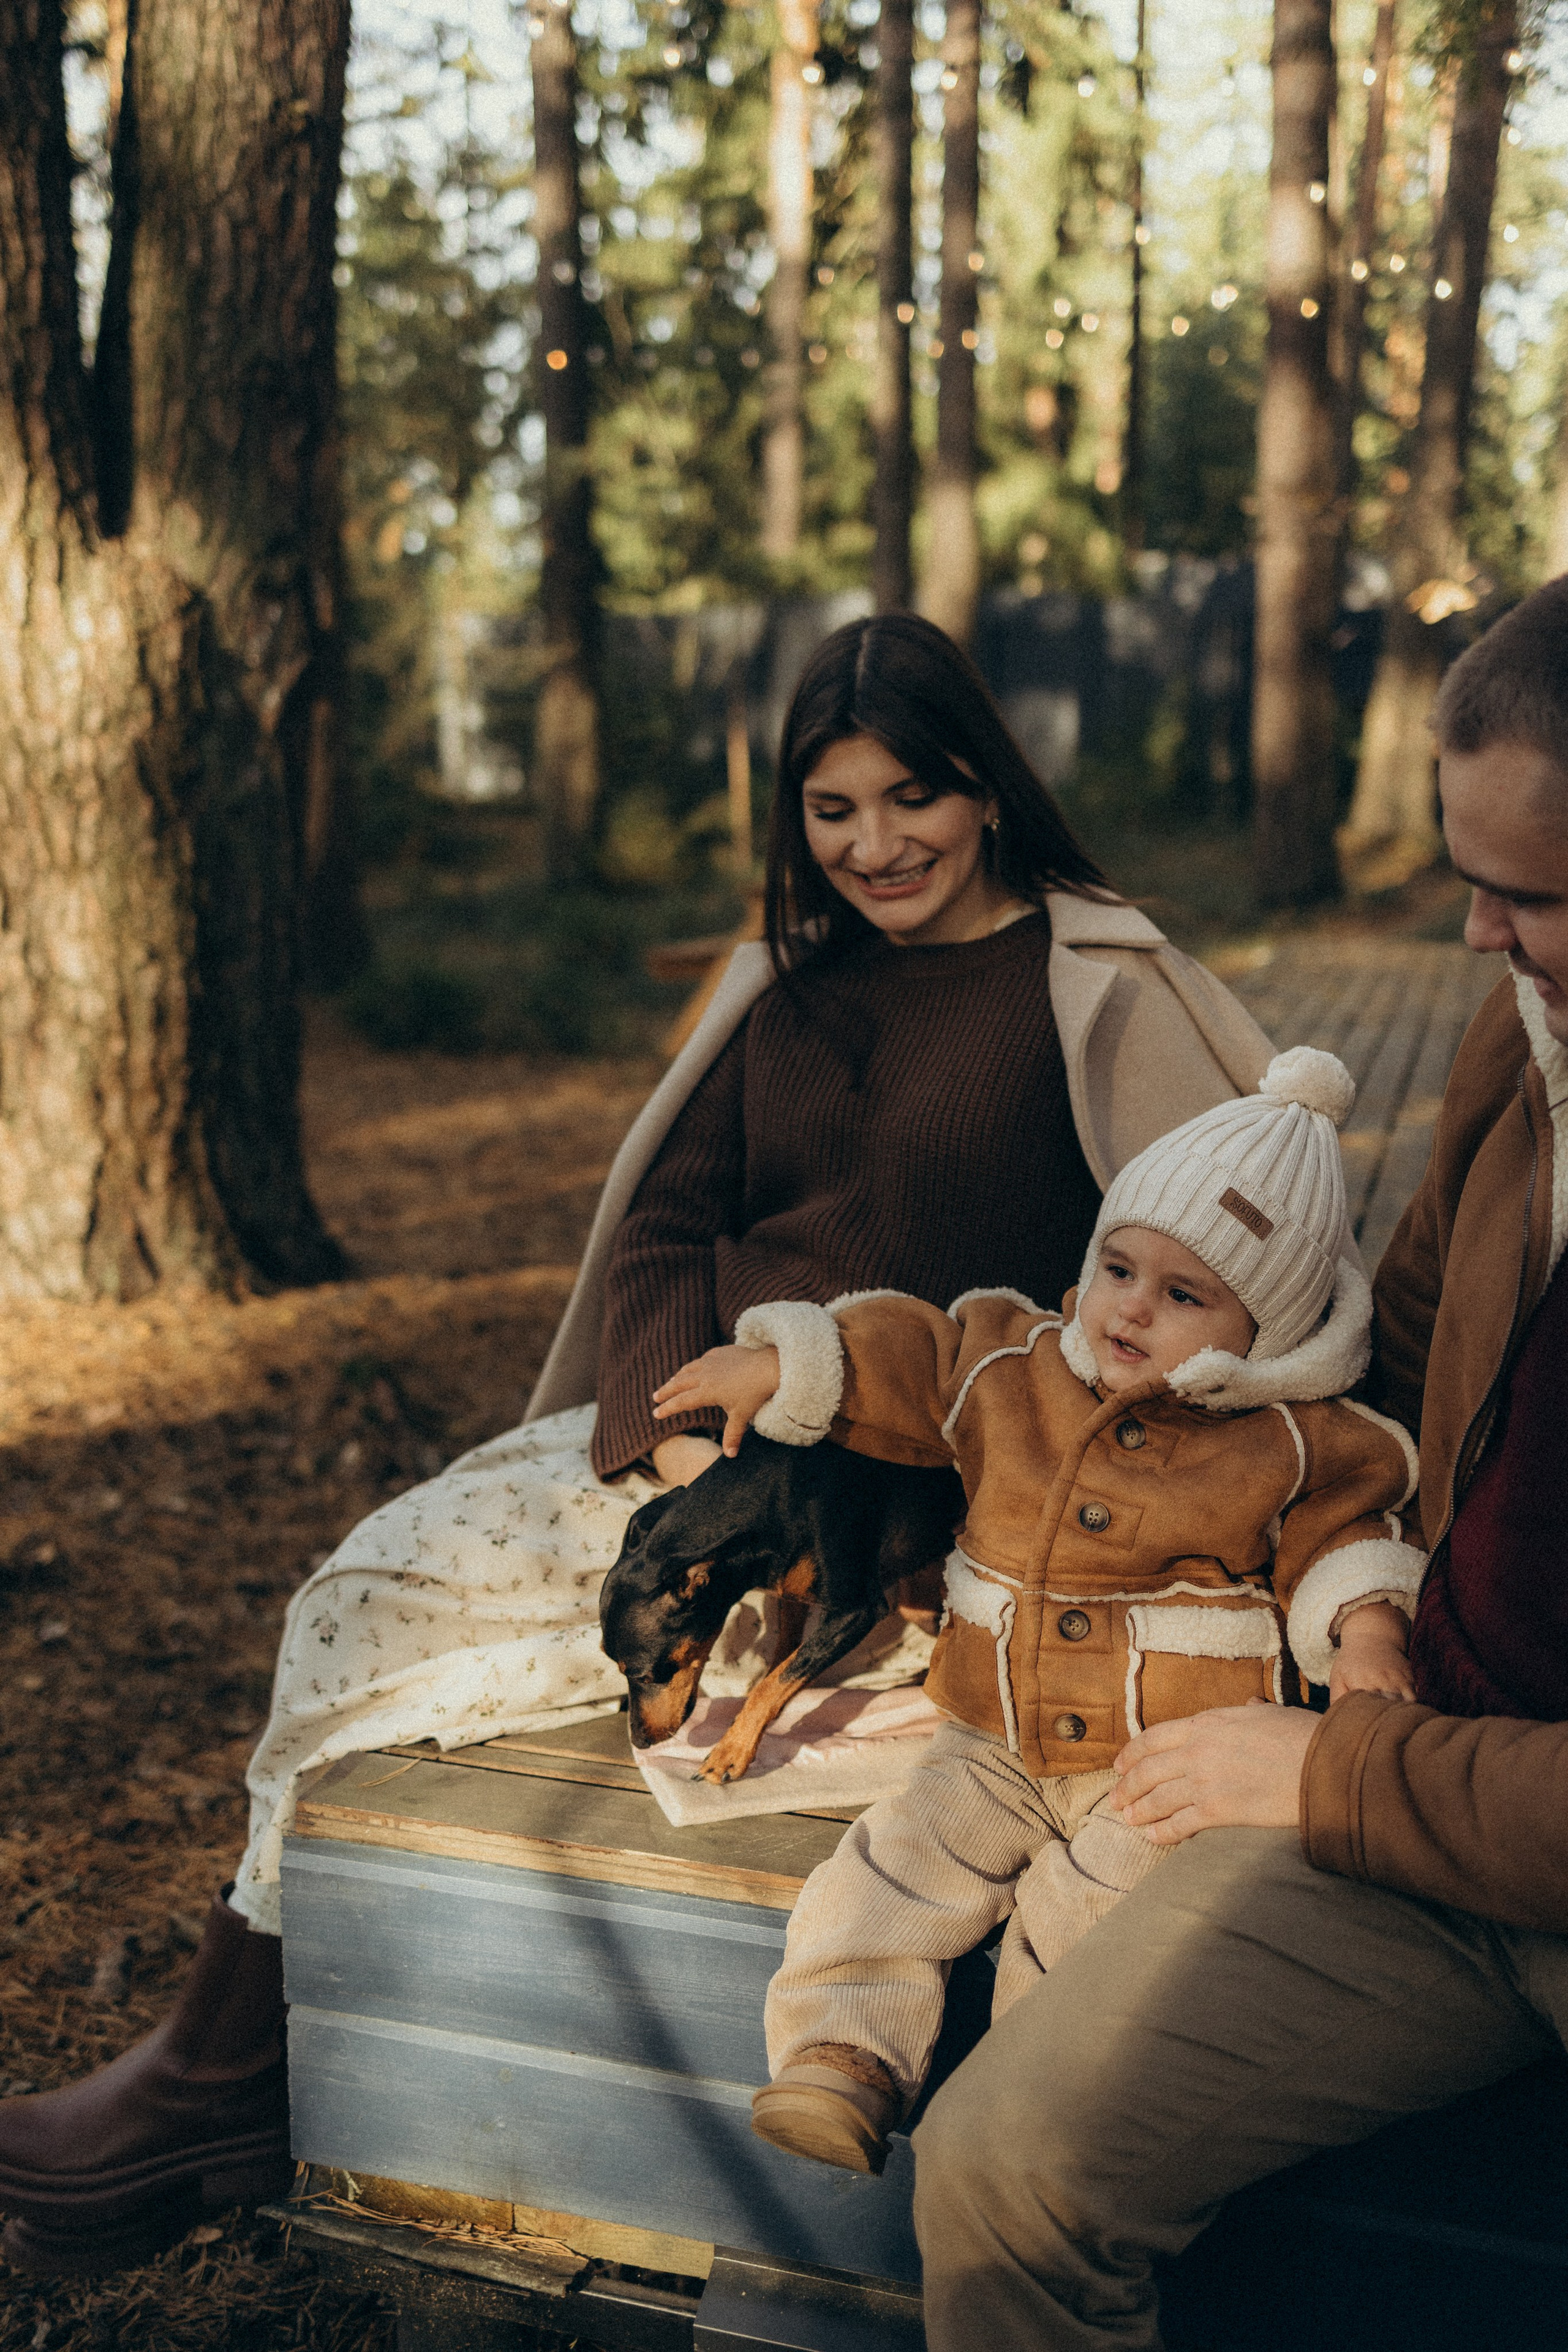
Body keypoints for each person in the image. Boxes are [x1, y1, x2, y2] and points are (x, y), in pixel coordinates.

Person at [0, 611, 1276, 2275]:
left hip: (919, 1482)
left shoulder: (1099, 982)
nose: (876, 845)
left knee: (408, 1638)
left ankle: (212, 2080)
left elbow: (1220, 1275)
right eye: (832, 810)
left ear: (988, 787)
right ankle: (221, 2063)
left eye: (916, 797)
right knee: (357, 1596)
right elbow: (668, 1224)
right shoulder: (790, 987)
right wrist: (672, 1440)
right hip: (698, 1442)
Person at [903, 573, 1568, 2352]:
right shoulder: (1531, 1041)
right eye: (1471, 880)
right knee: (998, 2167)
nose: (1482, 942)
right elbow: (1401, 1361)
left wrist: (1341, 1777)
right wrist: (1283, 1562)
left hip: (1464, 1813)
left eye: (1534, 895)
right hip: (1417, 1800)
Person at [652, 1048, 1422, 2175]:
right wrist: (784, 1364)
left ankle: (1030, 2105)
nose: (1131, 1310)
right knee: (889, 1871)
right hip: (988, 1740)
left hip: (1163, 1766)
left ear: (1267, 1329)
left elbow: (1352, 1536)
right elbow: (908, 1354)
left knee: (1097, 1922)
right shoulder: (1016, 1364)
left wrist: (1369, 1630)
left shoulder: (1294, 1440)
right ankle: (842, 2062)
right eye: (1119, 1268)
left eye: (1185, 1296)